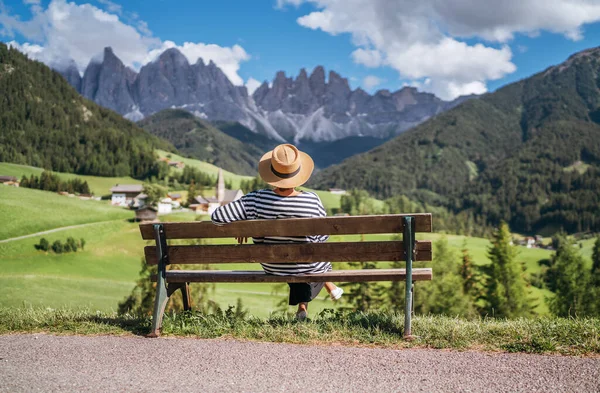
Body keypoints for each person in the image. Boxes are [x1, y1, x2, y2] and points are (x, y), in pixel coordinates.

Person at [211, 143, 343, 320]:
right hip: (307, 265)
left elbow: (217, 216)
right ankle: (316, 296)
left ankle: (306, 304)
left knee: (294, 258)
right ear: (298, 174)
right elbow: (322, 235)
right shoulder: (312, 200)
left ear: (272, 174)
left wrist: (244, 223)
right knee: (311, 256)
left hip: (273, 266)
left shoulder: (256, 199)